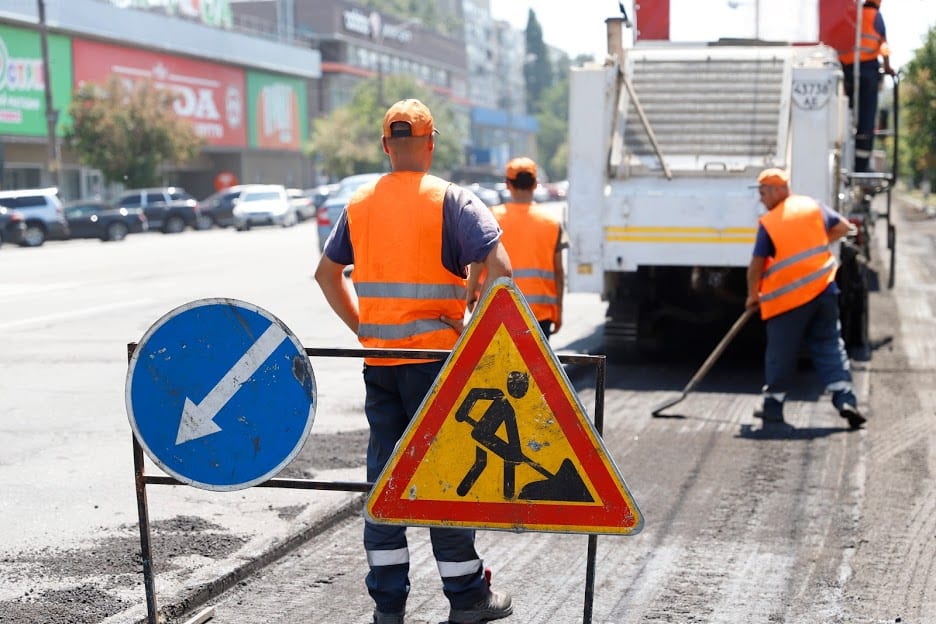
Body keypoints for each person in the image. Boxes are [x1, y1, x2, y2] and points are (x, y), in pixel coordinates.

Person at [314, 98, 514, 624]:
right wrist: (476, 323)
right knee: (444, 475)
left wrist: (364, 327)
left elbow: (325, 276)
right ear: (430, 144)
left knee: (386, 478)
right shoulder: (453, 200)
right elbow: (502, 267)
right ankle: (467, 598)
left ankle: (388, 605)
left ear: (386, 146)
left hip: (380, 366)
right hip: (436, 367)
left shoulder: (358, 204)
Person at [745, 168, 867, 430]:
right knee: (830, 344)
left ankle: (773, 406)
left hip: (788, 300)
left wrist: (753, 296)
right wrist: (821, 242)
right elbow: (844, 227)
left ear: (779, 190)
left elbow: (756, 266)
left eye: (763, 192)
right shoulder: (813, 207)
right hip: (824, 291)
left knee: (781, 351)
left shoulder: (771, 222)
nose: (761, 199)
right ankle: (845, 399)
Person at [472, 157, 566, 338]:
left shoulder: (491, 218)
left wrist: (471, 294)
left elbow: (477, 261)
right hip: (539, 316)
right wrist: (559, 311)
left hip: (497, 311)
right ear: (536, 184)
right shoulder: (553, 223)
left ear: (508, 184)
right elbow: (559, 272)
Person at [838, 0, 896, 173]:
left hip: (846, 71)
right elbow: (883, 46)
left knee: (844, 115)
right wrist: (886, 66)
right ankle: (861, 166)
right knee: (866, 119)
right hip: (867, 72)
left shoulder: (850, 15)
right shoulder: (875, 17)